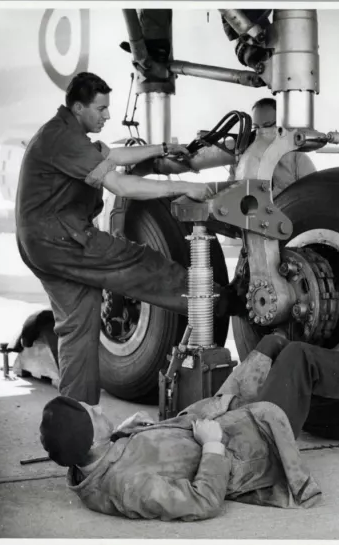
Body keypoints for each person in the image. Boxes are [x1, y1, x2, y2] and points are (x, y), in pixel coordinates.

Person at [15, 72, 240, 407]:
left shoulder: (64, 132)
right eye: (101, 108)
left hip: (39, 244)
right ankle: (220, 300)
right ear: (78, 107)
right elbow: (122, 186)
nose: (107, 115)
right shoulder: (65, 139)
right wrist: (185, 186)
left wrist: (164, 149)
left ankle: (77, 417)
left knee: (77, 328)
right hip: (63, 240)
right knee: (139, 263)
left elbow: (114, 157)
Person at [39, 315, 339, 522]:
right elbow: (203, 502)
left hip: (218, 418)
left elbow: (97, 458)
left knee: (270, 346)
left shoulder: (94, 457)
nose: (100, 408)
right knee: (294, 357)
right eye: (93, 413)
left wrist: (122, 436)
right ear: (88, 438)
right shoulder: (131, 488)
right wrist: (212, 446)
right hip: (254, 446)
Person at [228, 98, 317, 196]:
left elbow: (312, 198)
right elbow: (231, 196)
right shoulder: (241, 162)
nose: (261, 132)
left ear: (281, 126)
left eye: (267, 126)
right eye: (256, 127)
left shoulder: (298, 160)